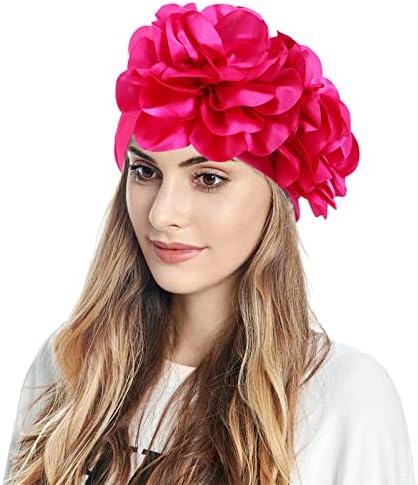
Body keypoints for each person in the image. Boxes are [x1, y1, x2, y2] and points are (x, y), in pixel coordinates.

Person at [3, 2, 416, 484]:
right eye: (145, 171)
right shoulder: (71, 364)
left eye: (209, 178)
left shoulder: (345, 398)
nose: (161, 214)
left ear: (275, 199)